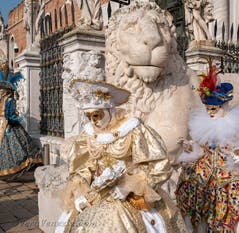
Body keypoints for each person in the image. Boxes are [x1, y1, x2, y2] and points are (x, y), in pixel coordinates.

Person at [57, 79, 186, 233]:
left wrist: (132, 185)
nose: (93, 122)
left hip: (128, 196)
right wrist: (80, 189)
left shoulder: (132, 130)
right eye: (88, 117)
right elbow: (84, 166)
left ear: (110, 109)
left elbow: (159, 166)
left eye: (97, 115)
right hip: (97, 194)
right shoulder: (88, 135)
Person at [175, 61, 239, 232]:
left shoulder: (237, 126)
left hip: (231, 174)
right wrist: (190, 148)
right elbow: (200, 149)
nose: (210, 113)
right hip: (207, 176)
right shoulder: (203, 126)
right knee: (191, 191)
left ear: (223, 107)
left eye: (214, 109)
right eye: (208, 108)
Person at [0, 65, 41, 178]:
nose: (1, 92)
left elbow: (12, 114)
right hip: (3, 126)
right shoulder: (3, 100)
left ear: (7, 91)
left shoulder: (9, 100)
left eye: (2, 90)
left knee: (16, 145)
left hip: (10, 126)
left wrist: (12, 119)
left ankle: (23, 164)